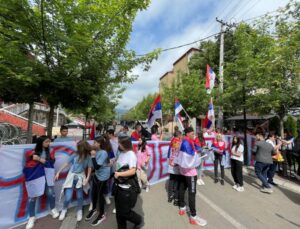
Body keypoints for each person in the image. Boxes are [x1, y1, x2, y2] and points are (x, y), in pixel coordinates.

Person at [23, 136, 59, 229]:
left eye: (49, 142)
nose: (48, 144)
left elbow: (51, 162)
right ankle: (32, 217)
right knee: (32, 196)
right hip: (36, 175)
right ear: (41, 142)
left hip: (48, 174)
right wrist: (37, 158)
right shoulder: (32, 152)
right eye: (46, 142)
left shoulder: (51, 151)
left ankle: (53, 209)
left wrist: (39, 159)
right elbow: (28, 159)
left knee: (50, 193)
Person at [175, 127, 207, 226]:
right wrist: (199, 155)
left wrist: (201, 149)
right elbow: (191, 158)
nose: (194, 135)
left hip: (183, 171)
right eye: (192, 134)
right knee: (192, 193)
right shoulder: (186, 143)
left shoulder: (185, 141)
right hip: (190, 172)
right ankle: (193, 216)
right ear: (187, 134)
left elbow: (194, 149)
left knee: (182, 188)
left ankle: (182, 208)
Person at [55, 140, 92, 221]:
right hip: (71, 177)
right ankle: (64, 210)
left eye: (78, 147)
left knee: (80, 197)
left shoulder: (88, 157)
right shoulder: (75, 154)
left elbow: (89, 168)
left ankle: (79, 211)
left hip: (80, 177)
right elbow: (66, 163)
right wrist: (58, 172)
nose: (77, 148)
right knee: (68, 197)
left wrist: (87, 178)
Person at [114, 136, 143, 229]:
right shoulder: (122, 153)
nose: (118, 145)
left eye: (120, 143)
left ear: (125, 144)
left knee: (125, 212)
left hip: (127, 189)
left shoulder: (131, 154)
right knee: (119, 212)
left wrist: (119, 174)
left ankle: (138, 219)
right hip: (118, 186)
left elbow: (132, 171)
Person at [85, 136, 111, 226]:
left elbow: (97, 166)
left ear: (99, 144)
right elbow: (88, 149)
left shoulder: (103, 153)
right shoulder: (97, 151)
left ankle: (102, 215)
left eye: (95, 142)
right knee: (94, 193)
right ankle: (94, 209)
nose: (93, 144)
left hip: (103, 177)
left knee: (100, 196)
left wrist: (92, 156)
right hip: (97, 175)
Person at [252, 130, 276, 194]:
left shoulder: (257, 143)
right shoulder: (269, 144)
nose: (256, 137)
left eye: (256, 136)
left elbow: (253, 151)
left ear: (260, 136)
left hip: (260, 161)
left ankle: (268, 187)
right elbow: (274, 153)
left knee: (258, 173)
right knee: (264, 173)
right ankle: (264, 186)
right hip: (269, 162)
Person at [167, 130, 182, 205]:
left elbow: (168, 152)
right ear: (179, 135)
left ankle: (170, 197)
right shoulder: (179, 142)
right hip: (177, 163)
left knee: (171, 180)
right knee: (177, 181)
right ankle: (176, 199)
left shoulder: (172, 140)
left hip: (171, 162)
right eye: (180, 135)